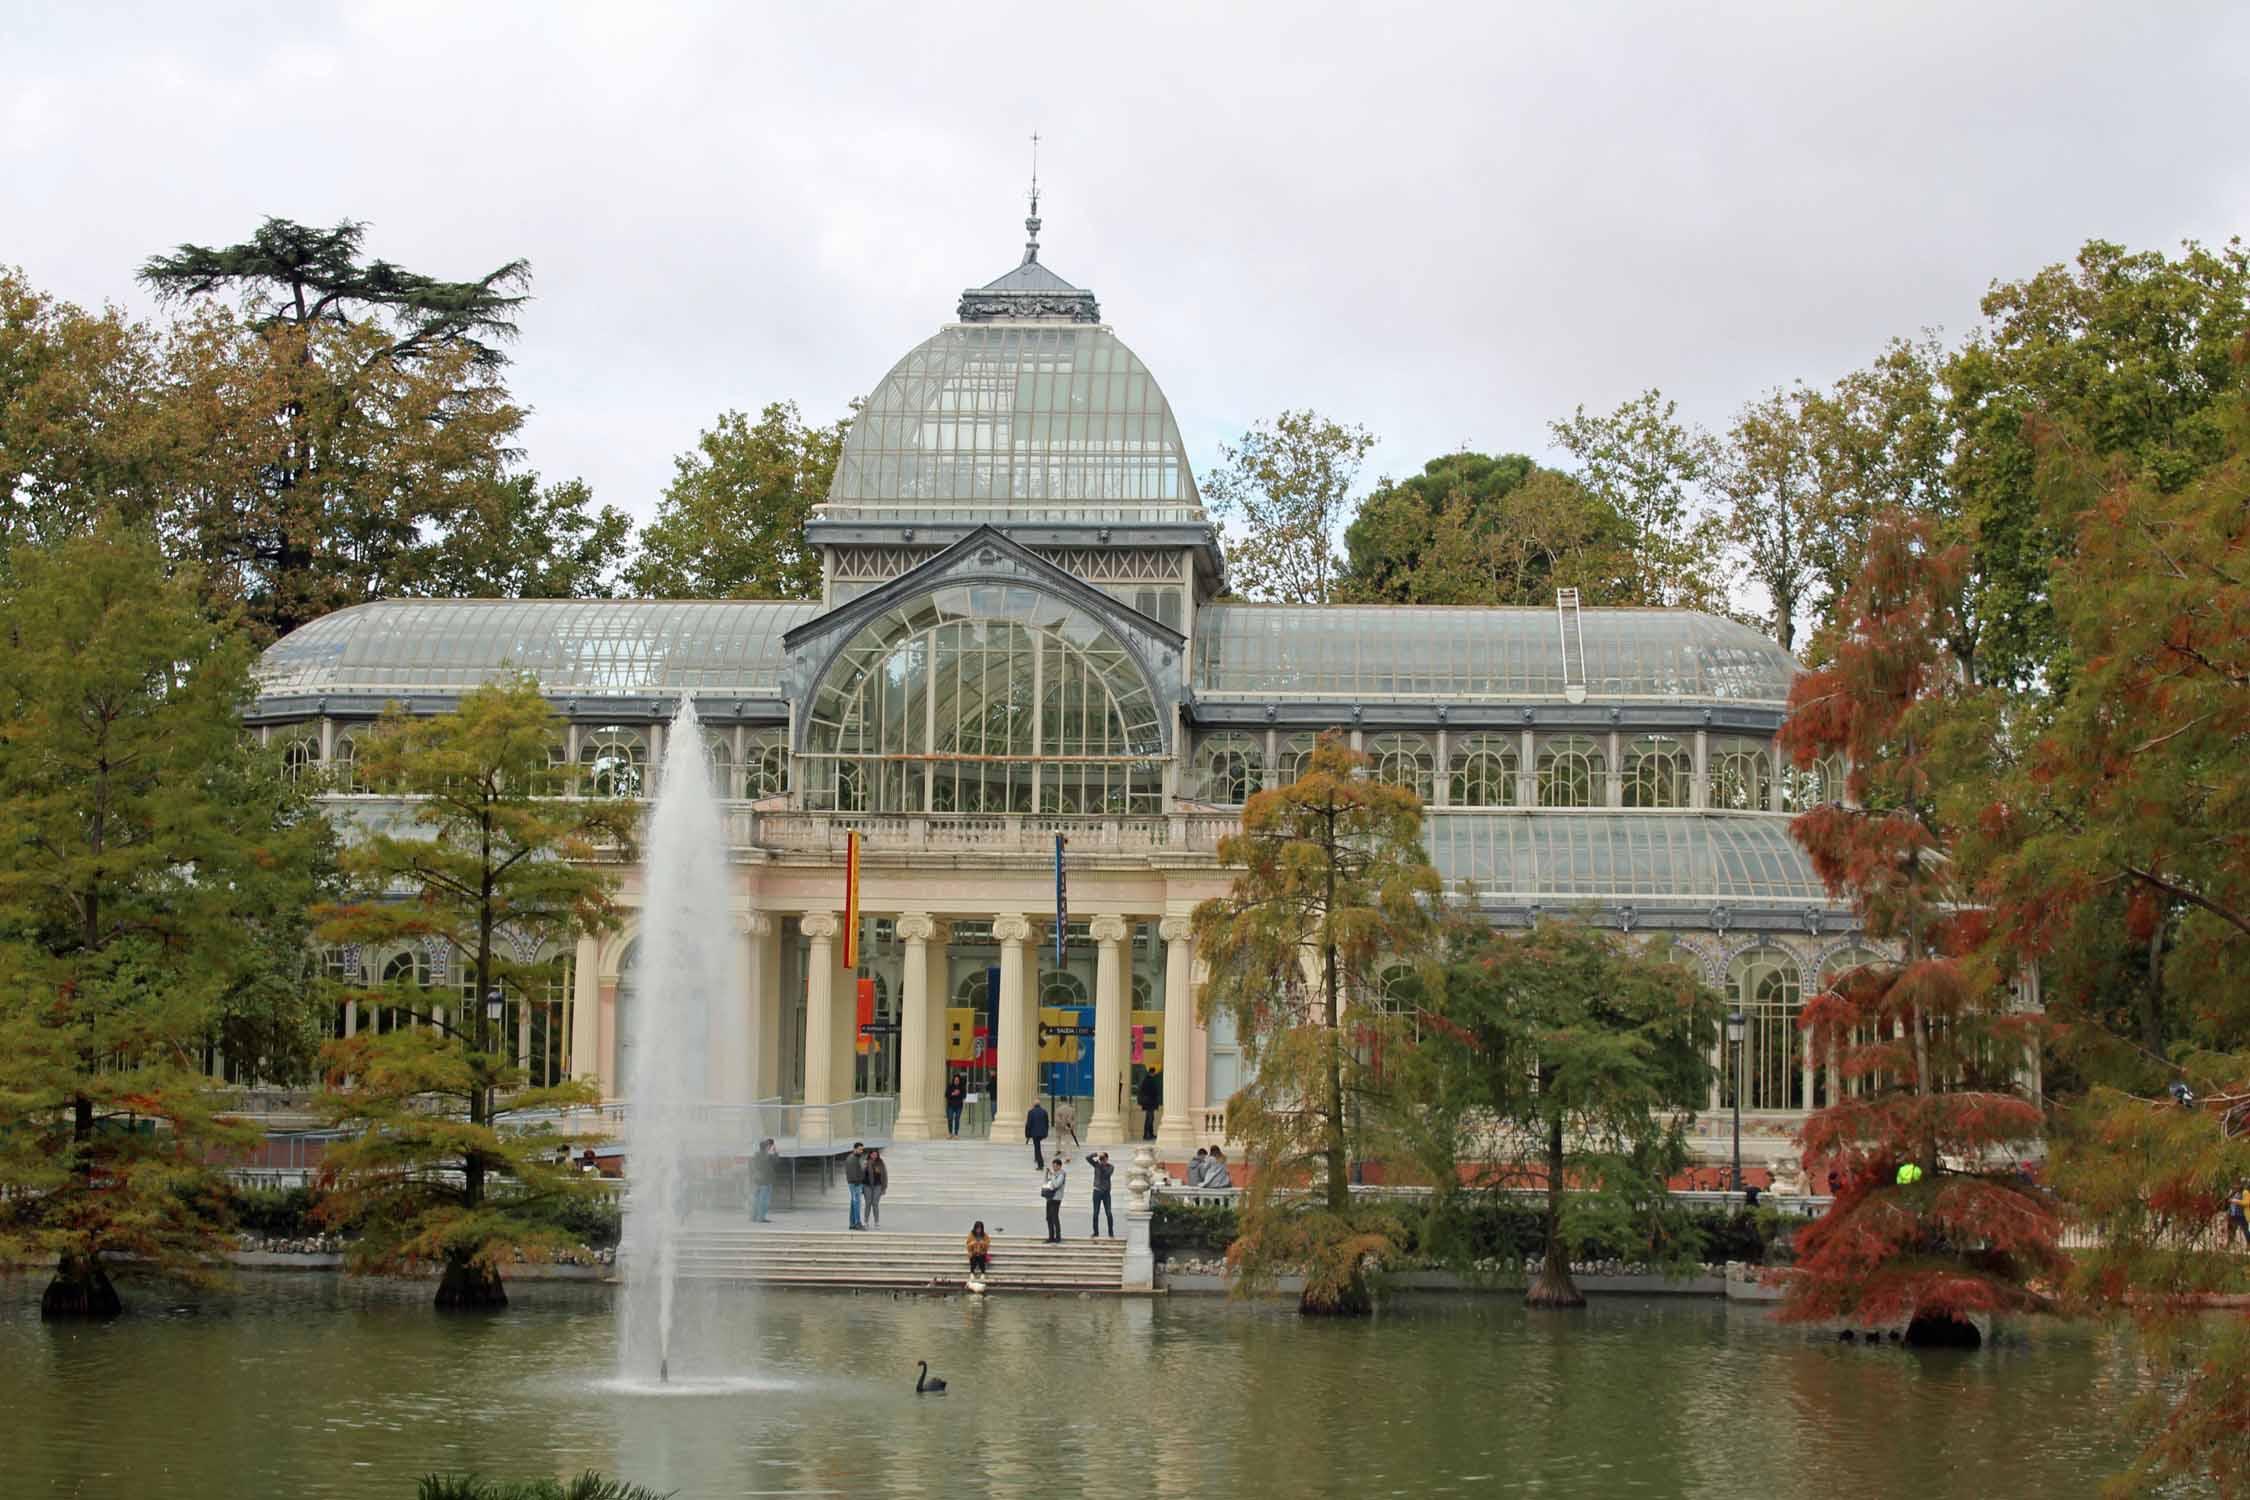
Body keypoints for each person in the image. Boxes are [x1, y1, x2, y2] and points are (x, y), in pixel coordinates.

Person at [750, 1138, 778, 1223]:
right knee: (764, 1200)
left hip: (757, 1180)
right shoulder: (768, 1155)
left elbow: (753, 1167)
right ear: (766, 1147)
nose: (770, 1147)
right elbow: (776, 1161)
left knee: (756, 1200)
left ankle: (753, 1217)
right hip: (766, 1181)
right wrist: (775, 1152)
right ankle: (761, 1218)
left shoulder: (756, 1155)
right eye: (769, 1146)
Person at [1042, 1155, 1068, 1243]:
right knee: (1048, 1217)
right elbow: (1046, 1183)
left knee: (1054, 1217)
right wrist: (1046, 1173)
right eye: (1053, 1165)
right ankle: (1051, 1236)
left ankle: (1058, 1236)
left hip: (1056, 1198)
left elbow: (1056, 1184)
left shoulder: (1062, 1174)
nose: (1053, 1167)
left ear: (1059, 1166)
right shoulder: (1054, 1174)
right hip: (1049, 1198)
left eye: (1055, 1165)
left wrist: (1052, 1175)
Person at [843, 1141, 868, 1230]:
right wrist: (857, 1182)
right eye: (860, 1149)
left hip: (855, 1183)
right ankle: (857, 1223)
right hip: (855, 1184)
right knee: (856, 1203)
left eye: (862, 1149)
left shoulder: (856, 1158)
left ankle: (852, 1223)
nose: (861, 1151)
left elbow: (858, 1171)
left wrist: (863, 1167)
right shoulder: (852, 1158)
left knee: (854, 1204)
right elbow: (851, 1173)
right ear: (855, 1149)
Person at [1090, 1151, 1115, 1238]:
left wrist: (1100, 1164)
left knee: (1108, 1212)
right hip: (1097, 1191)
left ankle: (1111, 1232)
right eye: (1102, 1159)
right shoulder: (1097, 1164)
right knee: (1095, 1212)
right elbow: (1087, 1158)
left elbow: (1106, 1174)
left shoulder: (1110, 1167)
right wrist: (1095, 1155)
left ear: (1107, 1159)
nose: (1102, 1160)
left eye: (1104, 1158)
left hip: (1106, 1192)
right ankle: (1095, 1232)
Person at [864, 1148, 888, 1228]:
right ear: (870, 1155)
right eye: (872, 1154)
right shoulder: (866, 1162)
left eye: (875, 1154)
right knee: (868, 1203)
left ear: (877, 1155)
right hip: (867, 1186)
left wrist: (884, 1188)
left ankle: (876, 1222)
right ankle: (866, 1221)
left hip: (878, 1186)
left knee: (875, 1203)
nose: (874, 1156)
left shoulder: (881, 1163)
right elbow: (862, 1174)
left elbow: (884, 1175)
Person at [1137, 1068, 1162, 1141]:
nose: (1155, 1074)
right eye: (1154, 1073)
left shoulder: (1147, 1080)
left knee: (1150, 1118)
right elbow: (1152, 1092)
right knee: (1149, 1119)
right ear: (1152, 1072)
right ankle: (1146, 1134)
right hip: (1149, 1103)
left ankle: (1150, 1134)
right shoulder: (1149, 1080)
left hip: (1149, 1103)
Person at [1026, 1100, 1050, 1169]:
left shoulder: (1031, 1112)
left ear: (1034, 1104)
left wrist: (1027, 1134)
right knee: (1037, 1146)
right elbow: (1046, 1122)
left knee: (1037, 1147)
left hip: (1034, 1133)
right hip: (1042, 1132)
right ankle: (1037, 1158)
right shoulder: (1044, 1111)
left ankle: (1040, 1164)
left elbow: (1029, 1124)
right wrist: (1046, 1132)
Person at [944, 1074, 968, 1138]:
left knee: (957, 1119)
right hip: (950, 1105)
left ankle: (956, 1134)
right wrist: (953, 1093)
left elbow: (964, 1096)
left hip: (959, 1106)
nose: (956, 1081)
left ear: (959, 1081)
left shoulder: (962, 1087)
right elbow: (946, 1095)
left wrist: (959, 1093)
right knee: (950, 1118)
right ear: (953, 1080)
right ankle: (950, 1133)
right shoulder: (950, 1086)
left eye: (957, 1080)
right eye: (955, 1080)